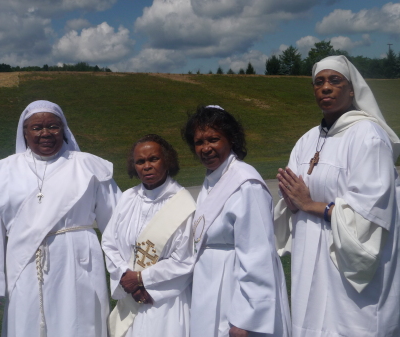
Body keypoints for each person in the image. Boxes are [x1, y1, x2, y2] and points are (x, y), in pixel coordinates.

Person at [275, 55, 400, 337]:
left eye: (334, 80)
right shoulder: (307, 141)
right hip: (310, 257)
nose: (326, 87)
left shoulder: (368, 136)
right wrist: (292, 204)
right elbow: (294, 202)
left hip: (349, 267)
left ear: (352, 89)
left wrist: (309, 204)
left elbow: (370, 213)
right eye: (319, 82)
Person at [0, 100, 121, 337]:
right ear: (24, 131)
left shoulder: (88, 166)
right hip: (25, 263)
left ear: (64, 129)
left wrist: (128, 271)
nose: (45, 134)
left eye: (53, 126)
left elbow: (118, 222)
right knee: (27, 322)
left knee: (79, 323)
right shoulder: (5, 170)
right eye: (36, 127)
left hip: (78, 262)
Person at [183, 105, 291, 337]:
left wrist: (247, 319)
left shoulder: (245, 183)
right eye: (199, 142)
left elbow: (257, 254)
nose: (206, 148)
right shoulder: (213, 179)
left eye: (213, 139)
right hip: (209, 285)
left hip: (233, 289)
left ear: (231, 139)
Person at [102, 134, 196, 337]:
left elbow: (184, 259)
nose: (146, 166)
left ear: (168, 160)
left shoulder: (183, 204)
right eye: (140, 161)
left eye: (153, 159)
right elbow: (109, 243)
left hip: (165, 301)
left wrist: (141, 278)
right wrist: (126, 277)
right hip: (132, 297)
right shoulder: (127, 198)